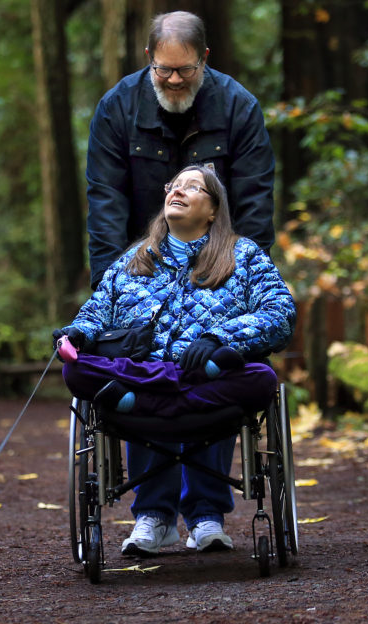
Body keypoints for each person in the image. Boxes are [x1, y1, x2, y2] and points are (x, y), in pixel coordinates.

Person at [54, 166, 295, 557]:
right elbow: (97, 312)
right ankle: (154, 519)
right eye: (174, 185)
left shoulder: (243, 255)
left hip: (199, 379)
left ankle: (206, 519)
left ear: (214, 209)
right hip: (146, 374)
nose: (178, 191)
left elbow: (280, 313)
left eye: (192, 187)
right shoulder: (136, 259)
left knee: (260, 377)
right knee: (76, 367)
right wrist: (78, 333)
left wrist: (220, 338)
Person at [85, 10, 276, 289]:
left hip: (218, 271)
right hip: (140, 270)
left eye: (186, 69)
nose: (175, 79)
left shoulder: (239, 108)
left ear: (205, 57)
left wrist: (246, 283)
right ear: (149, 56)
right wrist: (110, 287)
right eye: (163, 69)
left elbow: (254, 206)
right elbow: (106, 203)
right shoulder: (116, 109)